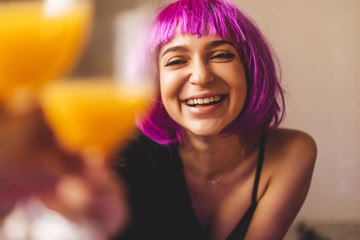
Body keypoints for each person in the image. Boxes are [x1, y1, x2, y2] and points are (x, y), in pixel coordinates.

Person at [110, 0, 317, 239]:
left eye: (220, 55)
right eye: (176, 61)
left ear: (249, 68)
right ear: (151, 81)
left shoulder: (290, 153)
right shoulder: (126, 154)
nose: (201, 76)